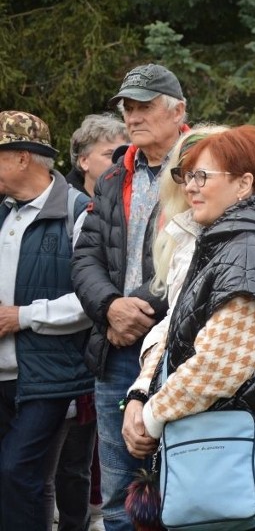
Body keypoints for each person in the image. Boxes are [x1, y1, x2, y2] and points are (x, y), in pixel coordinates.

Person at [121, 125, 255, 530]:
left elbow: (218, 368)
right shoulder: (224, 245)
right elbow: (173, 333)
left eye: (203, 176)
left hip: (228, 458)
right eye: (186, 176)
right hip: (213, 451)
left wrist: (151, 416)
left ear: (243, 184)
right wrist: (139, 395)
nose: (190, 187)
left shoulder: (249, 254)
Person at [71, 63, 187, 531]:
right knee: (120, 491)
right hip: (116, 348)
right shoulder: (115, 173)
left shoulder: (200, 167)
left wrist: (135, 307)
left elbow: (192, 254)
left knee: (183, 482)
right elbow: (84, 258)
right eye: (129, 107)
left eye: (145, 106)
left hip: (178, 347)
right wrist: (110, 307)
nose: (133, 116)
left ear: (178, 110)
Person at [0, 110, 94, 530]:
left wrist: (24, 317)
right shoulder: (3, 211)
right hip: (2, 375)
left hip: (48, 376)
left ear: (21, 157)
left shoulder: (79, 212)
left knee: (18, 472)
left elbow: (93, 298)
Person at [45, 113, 129, 531]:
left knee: (82, 461)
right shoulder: (71, 208)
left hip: (101, 352)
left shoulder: (128, 203)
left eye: (122, 151)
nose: (119, 159)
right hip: (65, 352)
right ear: (82, 161)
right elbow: (83, 277)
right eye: (108, 153)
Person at [66, 114, 129, 197]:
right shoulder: (64, 205)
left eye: (124, 154)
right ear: (84, 161)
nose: (120, 160)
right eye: (109, 154)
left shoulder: (137, 199)